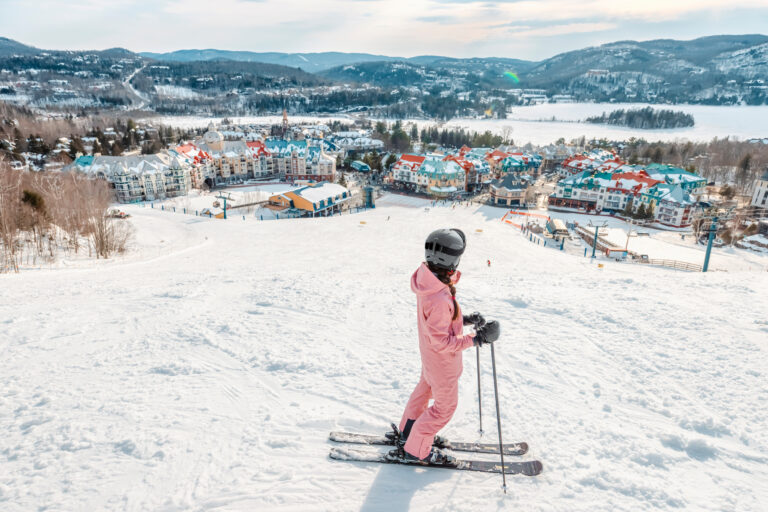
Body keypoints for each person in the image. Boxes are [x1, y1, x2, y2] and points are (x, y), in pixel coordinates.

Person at [393, 228, 500, 465]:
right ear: (453, 261)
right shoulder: (440, 298)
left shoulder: (429, 285)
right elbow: (442, 341)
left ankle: (408, 431)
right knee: (444, 409)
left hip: (430, 359)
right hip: (441, 363)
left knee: (423, 393)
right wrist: (477, 338)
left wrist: (465, 320)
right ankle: (417, 449)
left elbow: (437, 326)